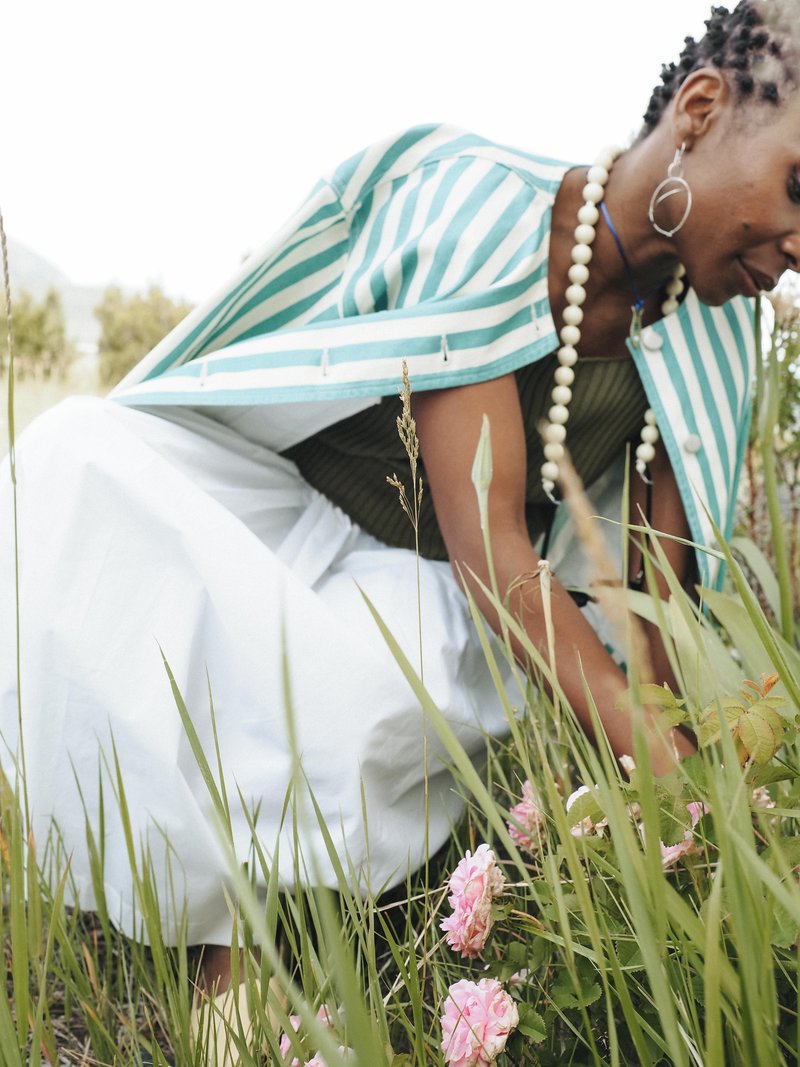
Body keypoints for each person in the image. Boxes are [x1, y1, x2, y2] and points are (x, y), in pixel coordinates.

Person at [1, 0, 797, 1027]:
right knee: (68, 462)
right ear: (698, 107)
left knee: (397, 658)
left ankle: (243, 959)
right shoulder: (483, 209)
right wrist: (682, 785)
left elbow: (650, 603)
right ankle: (168, 899)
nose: (793, 245)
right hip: (299, 521)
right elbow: (497, 549)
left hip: (431, 604)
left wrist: (689, 807)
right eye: (793, 185)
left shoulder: (710, 335)